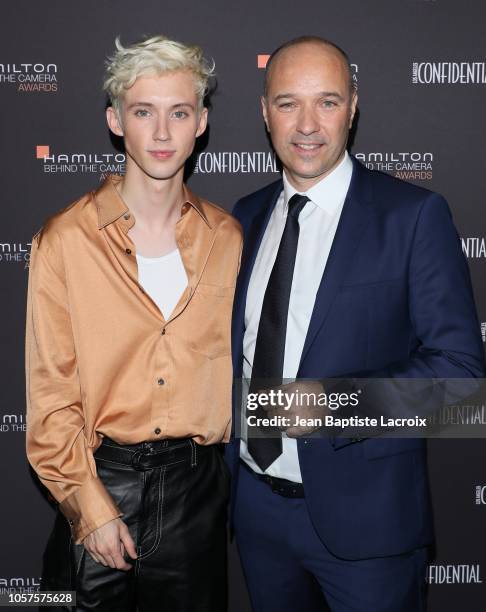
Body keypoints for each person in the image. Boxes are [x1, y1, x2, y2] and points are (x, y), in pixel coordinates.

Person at [226, 36, 485, 611]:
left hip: (368, 526)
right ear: (264, 111)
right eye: (288, 102)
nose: (307, 124)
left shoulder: (413, 216)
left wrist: (334, 405)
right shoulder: (243, 216)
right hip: (255, 512)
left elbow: (461, 371)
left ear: (354, 106)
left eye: (328, 101)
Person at [26, 35, 242, 612]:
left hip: (198, 493)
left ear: (201, 122)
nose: (163, 133)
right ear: (116, 120)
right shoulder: (65, 241)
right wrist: (90, 509)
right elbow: (50, 400)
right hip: (101, 480)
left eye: (179, 112)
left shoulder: (228, 238)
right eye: (145, 112)